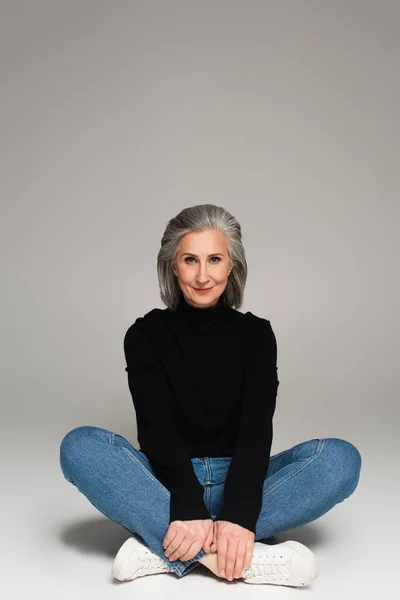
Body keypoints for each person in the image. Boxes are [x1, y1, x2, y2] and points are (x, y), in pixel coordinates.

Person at [59, 204, 362, 586]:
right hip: (165, 481)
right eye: (190, 260)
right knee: (78, 446)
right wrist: (186, 501)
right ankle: (222, 557)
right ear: (173, 265)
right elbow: (155, 428)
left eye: (214, 259)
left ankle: (166, 547)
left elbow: (256, 430)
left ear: (231, 265)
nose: (203, 275)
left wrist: (238, 510)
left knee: (340, 461)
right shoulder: (144, 335)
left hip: (243, 477)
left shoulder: (257, 335)